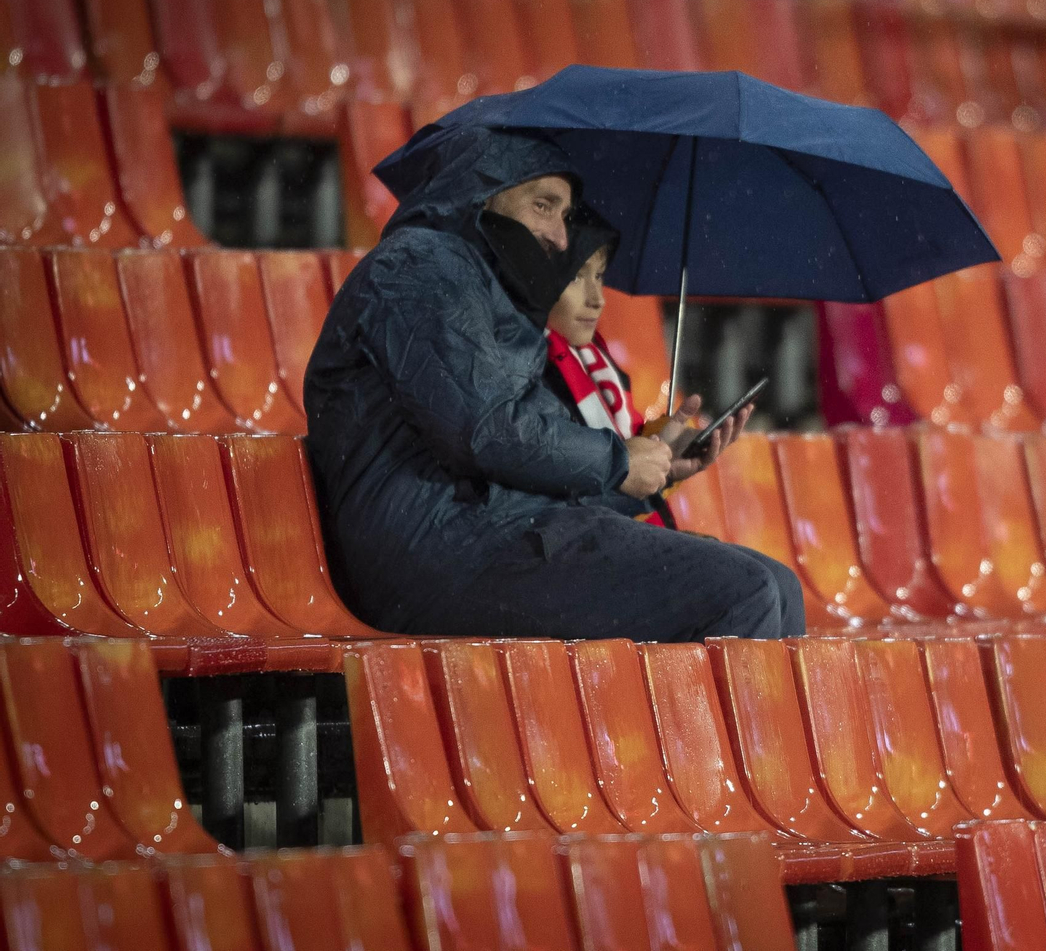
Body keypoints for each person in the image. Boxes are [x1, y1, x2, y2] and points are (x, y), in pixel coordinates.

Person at [302, 125, 807, 641]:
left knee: (781, 585)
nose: (561, 237)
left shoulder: (489, 291)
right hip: (434, 555)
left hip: (497, 536)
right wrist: (618, 462)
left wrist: (651, 470)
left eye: (564, 215)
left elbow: (522, 464)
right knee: (743, 590)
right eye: (543, 206)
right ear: (482, 195)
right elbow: (487, 432)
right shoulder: (421, 264)